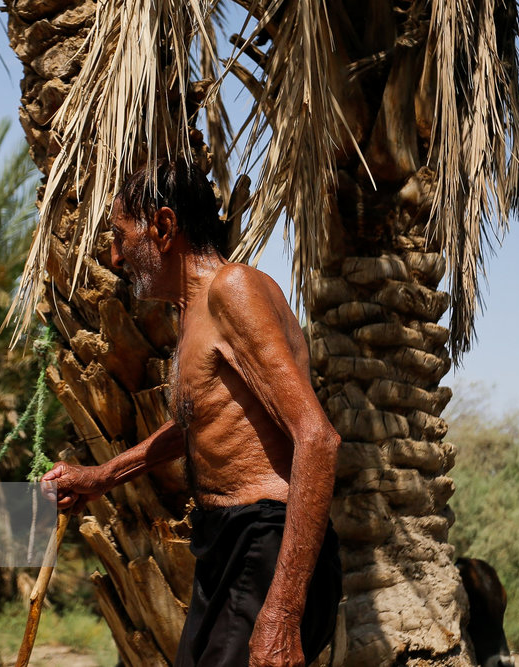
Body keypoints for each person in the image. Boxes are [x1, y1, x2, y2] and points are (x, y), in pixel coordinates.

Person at [42, 159, 342, 667]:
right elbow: (198, 423)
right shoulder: (195, 310)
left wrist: (284, 612)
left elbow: (317, 438)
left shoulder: (233, 288)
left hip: (266, 542)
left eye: (121, 237)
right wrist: (101, 477)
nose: (115, 256)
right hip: (224, 545)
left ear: (163, 227)